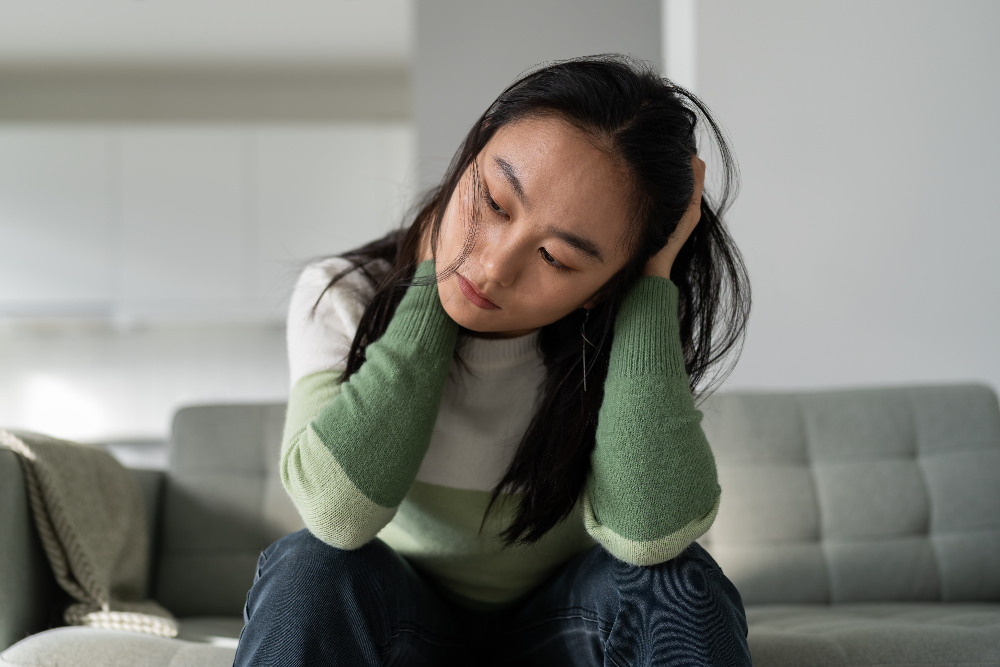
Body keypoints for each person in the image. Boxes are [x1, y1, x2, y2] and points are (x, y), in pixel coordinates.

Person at [234, 54, 752, 666]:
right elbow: (334, 516)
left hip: (562, 629)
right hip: (404, 624)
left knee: (677, 580)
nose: (495, 266)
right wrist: (430, 285)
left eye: (557, 258)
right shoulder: (345, 295)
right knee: (309, 568)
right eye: (495, 203)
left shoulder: (632, 327)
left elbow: (648, 537)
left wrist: (647, 291)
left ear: (606, 288)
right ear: (469, 157)